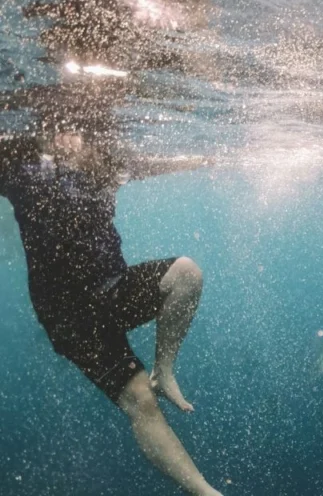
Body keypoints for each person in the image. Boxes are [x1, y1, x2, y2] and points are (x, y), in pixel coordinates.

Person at [0, 129, 221, 496]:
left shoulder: (108, 161)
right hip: (68, 315)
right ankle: (203, 491)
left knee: (187, 273)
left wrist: (203, 158)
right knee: (140, 401)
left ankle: (164, 370)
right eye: (58, 130)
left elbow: (152, 165)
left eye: (79, 132)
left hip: (113, 289)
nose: (69, 139)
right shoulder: (18, 167)